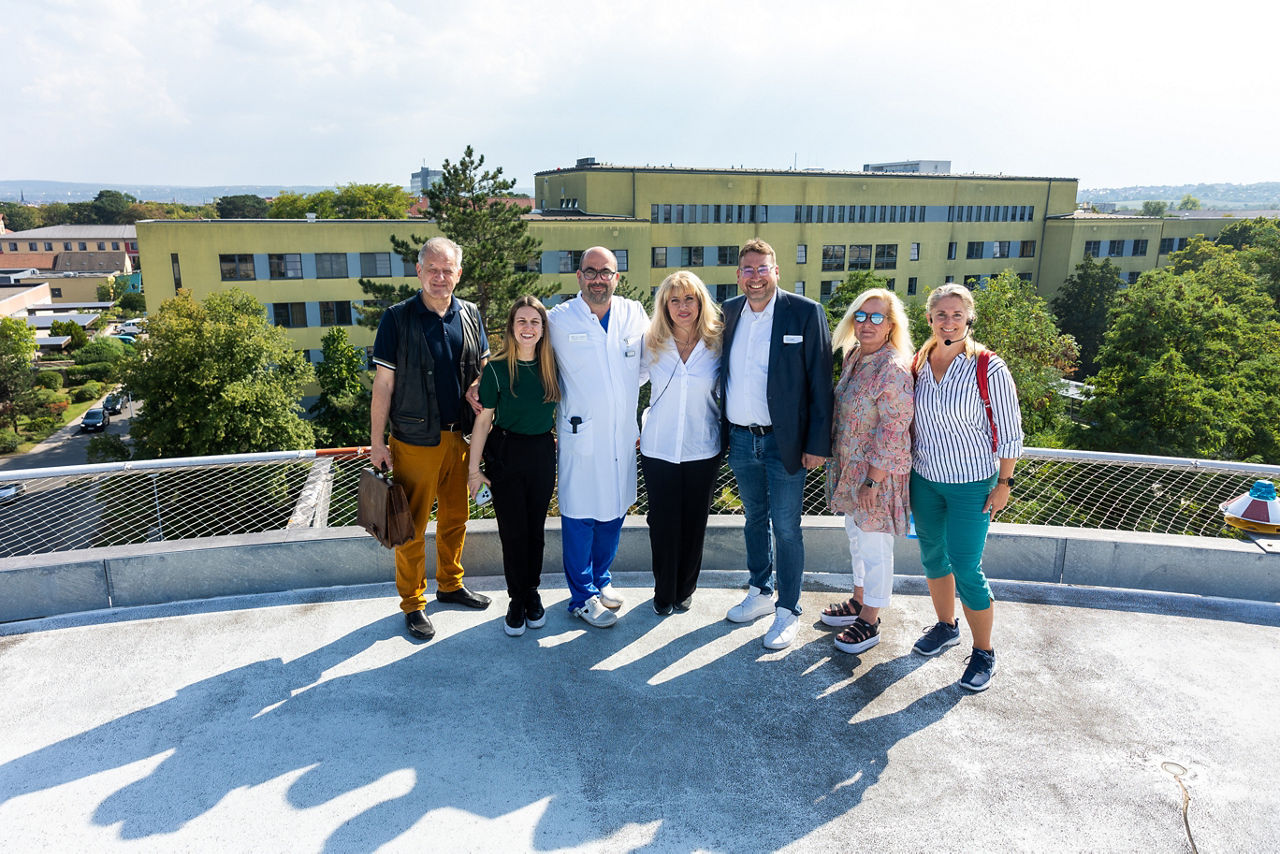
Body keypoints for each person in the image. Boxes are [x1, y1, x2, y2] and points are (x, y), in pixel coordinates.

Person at [370, 236, 491, 641]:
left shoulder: (471, 314)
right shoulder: (397, 318)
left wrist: (476, 385)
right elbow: (383, 385)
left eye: (448, 270)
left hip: (461, 439)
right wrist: (377, 442)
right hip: (414, 441)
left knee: (457, 517)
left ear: (459, 273)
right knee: (411, 526)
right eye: (432, 269)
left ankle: (451, 585)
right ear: (419, 271)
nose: (440, 277)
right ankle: (413, 604)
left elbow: (483, 369)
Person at [910, 283, 1024, 692]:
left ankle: (984, 651)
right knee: (933, 558)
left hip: (972, 484)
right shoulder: (919, 362)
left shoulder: (988, 367)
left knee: (966, 565)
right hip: (924, 479)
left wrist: (1004, 482)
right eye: (942, 314)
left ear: (969, 318)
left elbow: (1010, 431)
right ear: (929, 318)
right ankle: (945, 626)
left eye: (957, 314)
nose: (949, 321)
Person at [720, 238, 834, 649]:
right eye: (747, 270)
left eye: (762, 268)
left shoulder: (804, 313)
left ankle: (788, 609)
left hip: (784, 443)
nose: (755, 277)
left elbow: (821, 384)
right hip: (739, 438)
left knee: (786, 527)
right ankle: (760, 592)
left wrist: (817, 444)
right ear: (738, 275)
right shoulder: (727, 313)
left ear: (776, 271)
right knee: (753, 519)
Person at [547, 247, 649, 628]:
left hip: (620, 434)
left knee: (614, 511)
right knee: (579, 515)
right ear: (579, 277)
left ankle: (602, 580)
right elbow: (530, 358)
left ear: (616, 277)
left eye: (605, 272)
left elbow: (642, 367)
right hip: (580, 434)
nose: (597, 279)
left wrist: (616, 396)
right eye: (590, 272)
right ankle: (581, 596)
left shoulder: (632, 314)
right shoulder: (558, 319)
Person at [820, 288, 914, 654]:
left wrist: (873, 480)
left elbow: (894, 429)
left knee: (875, 546)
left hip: (877, 475)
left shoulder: (893, 368)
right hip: (851, 470)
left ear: (891, 325)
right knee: (856, 538)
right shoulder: (854, 357)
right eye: (861, 316)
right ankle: (859, 599)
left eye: (877, 317)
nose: (867, 323)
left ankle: (871, 619)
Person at [468, 297, 560, 637]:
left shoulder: (552, 367)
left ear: (542, 329)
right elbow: (483, 422)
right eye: (521, 321)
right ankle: (516, 599)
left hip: (540, 451)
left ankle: (532, 592)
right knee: (512, 532)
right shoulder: (494, 369)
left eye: (535, 322)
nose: (528, 327)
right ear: (511, 327)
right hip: (505, 452)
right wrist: (473, 470)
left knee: (535, 530)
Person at [640, 271, 723, 615]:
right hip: (658, 447)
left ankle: (685, 589)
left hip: (703, 447)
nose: (682, 306)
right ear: (664, 305)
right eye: (674, 300)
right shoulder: (651, 342)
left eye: (689, 298)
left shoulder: (717, 344)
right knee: (661, 523)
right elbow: (626, 383)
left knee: (694, 522)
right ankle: (664, 591)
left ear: (701, 302)